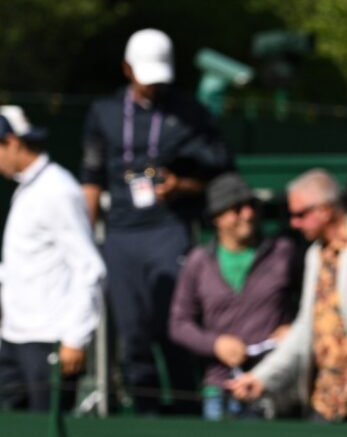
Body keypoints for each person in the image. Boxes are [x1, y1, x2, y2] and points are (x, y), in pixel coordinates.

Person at [80, 28, 231, 412]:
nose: (152, 88)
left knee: (174, 328)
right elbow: (92, 179)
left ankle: (186, 411)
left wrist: (181, 185)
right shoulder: (105, 113)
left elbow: (222, 172)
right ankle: (143, 414)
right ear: (127, 69)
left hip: (169, 230)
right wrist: (83, 243)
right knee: (133, 334)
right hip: (121, 235)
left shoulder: (190, 112)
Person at [227, 169, 347, 423]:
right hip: (327, 393)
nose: (294, 223)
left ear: (325, 209)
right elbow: (305, 330)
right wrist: (262, 377)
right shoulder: (315, 254)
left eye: (300, 214)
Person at [0, 106, 106, 412]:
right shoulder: (27, 190)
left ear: (13, 142)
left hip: (48, 342)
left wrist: (74, 338)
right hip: (14, 340)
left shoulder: (58, 190)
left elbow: (89, 267)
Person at [168, 172, 299, 420]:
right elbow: (178, 323)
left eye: (251, 206)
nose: (247, 215)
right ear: (217, 217)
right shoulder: (198, 262)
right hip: (219, 388)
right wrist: (215, 344)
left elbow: (311, 305)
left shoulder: (284, 252)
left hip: (271, 384)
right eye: (236, 209)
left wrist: (293, 328)